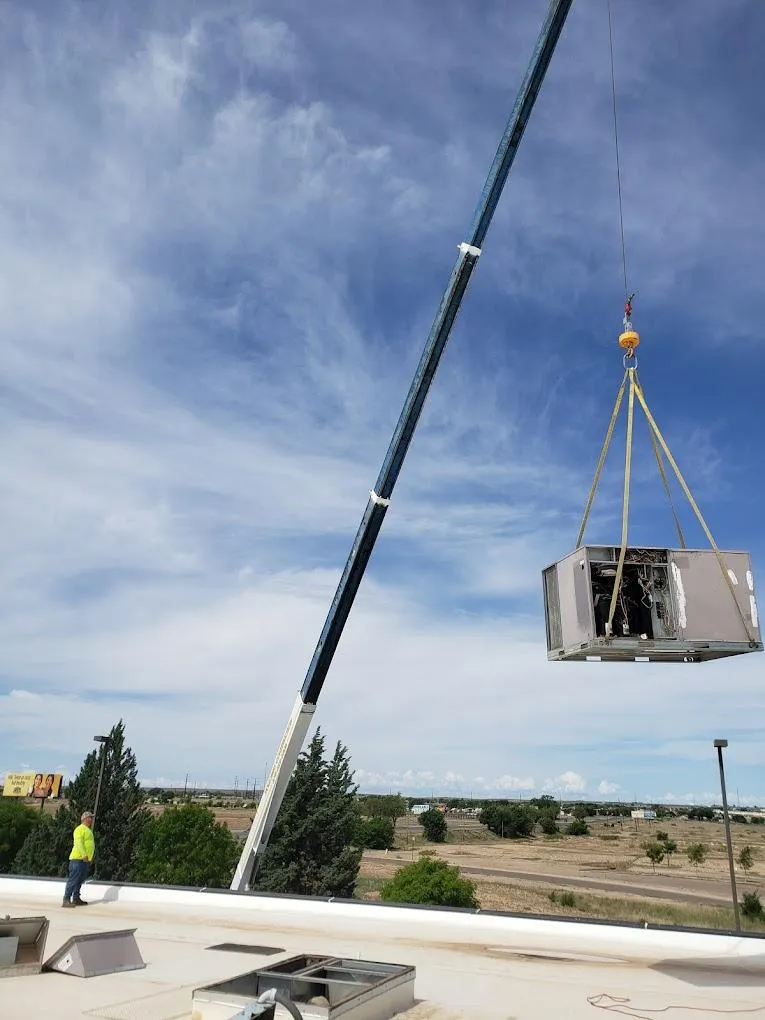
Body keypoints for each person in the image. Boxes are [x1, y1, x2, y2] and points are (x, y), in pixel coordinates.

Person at [63, 811, 95, 907]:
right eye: (90, 817)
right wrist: (84, 854)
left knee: (80, 880)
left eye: (91, 818)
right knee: (73, 879)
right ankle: (66, 899)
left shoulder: (88, 830)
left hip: (85, 860)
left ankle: (76, 898)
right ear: (84, 819)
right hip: (77, 859)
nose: (91, 819)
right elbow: (79, 843)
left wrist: (89, 857)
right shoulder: (79, 829)